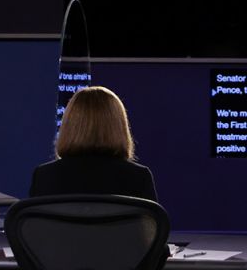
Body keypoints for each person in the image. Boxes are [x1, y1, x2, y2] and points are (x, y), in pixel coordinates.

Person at [29, 85, 157, 200]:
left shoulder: (44, 177)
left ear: (69, 125)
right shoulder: (139, 178)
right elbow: (152, 226)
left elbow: (33, 225)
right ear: (119, 126)